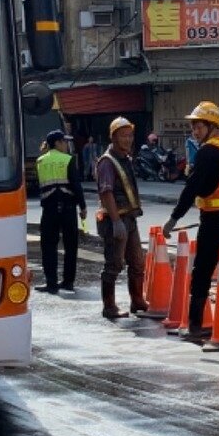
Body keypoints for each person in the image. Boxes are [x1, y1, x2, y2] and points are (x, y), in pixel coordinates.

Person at [161, 101, 219, 342]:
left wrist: (173, 219)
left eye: (198, 127)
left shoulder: (208, 151)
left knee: (202, 272)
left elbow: (192, 188)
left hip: (214, 222)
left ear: (212, 125)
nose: (194, 132)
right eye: (193, 128)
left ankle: (195, 327)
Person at [96, 116, 147, 319]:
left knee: (137, 263)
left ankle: (137, 301)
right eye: (123, 136)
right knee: (114, 264)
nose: (128, 139)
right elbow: (106, 192)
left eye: (130, 135)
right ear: (114, 138)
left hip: (130, 219)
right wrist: (116, 221)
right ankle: (109, 307)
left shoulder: (125, 159)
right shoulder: (107, 162)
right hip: (115, 220)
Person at [36, 129, 86, 294]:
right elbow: (76, 185)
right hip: (68, 209)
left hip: (48, 210)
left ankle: (51, 283)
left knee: (48, 247)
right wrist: (83, 206)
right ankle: (68, 282)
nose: (66, 144)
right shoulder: (68, 159)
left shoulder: (40, 161)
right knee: (70, 246)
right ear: (57, 143)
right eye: (64, 141)